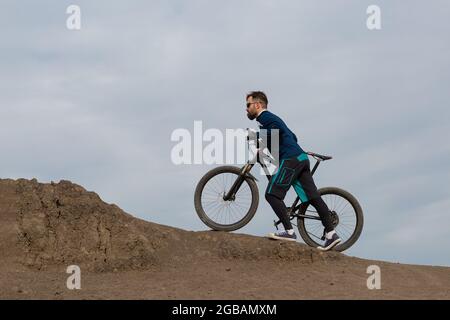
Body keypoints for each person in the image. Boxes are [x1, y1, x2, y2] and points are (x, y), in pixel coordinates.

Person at [246, 91, 341, 251]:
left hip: (292, 159)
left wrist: (255, 136)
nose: (246, 109)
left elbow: (276, 132)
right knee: (312, 197)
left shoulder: (265, 117)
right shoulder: (272, 119)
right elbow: (292, 136)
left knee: (271, 194)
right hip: (300, 158)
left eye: (248, 105)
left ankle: (289, 232)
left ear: (258, 104)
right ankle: (331, 234)